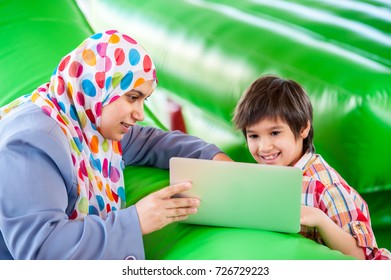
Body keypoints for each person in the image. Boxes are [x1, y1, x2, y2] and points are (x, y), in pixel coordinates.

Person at [0, 30, 230, 260]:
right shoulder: (32, 143)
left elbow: (151, 142)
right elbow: (40, 251)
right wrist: (136, 221)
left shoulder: (84, 119)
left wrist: (212, 157)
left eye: (144, 100)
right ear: (100, 88)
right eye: (132, 97)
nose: (140, 113)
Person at [232, 74, 391, 260]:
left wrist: (320, 220)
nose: (264, 147)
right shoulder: (272, 172)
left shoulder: (325, 187)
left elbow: (362, 258)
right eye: (253, 136)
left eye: (275, 133)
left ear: (303, 129)